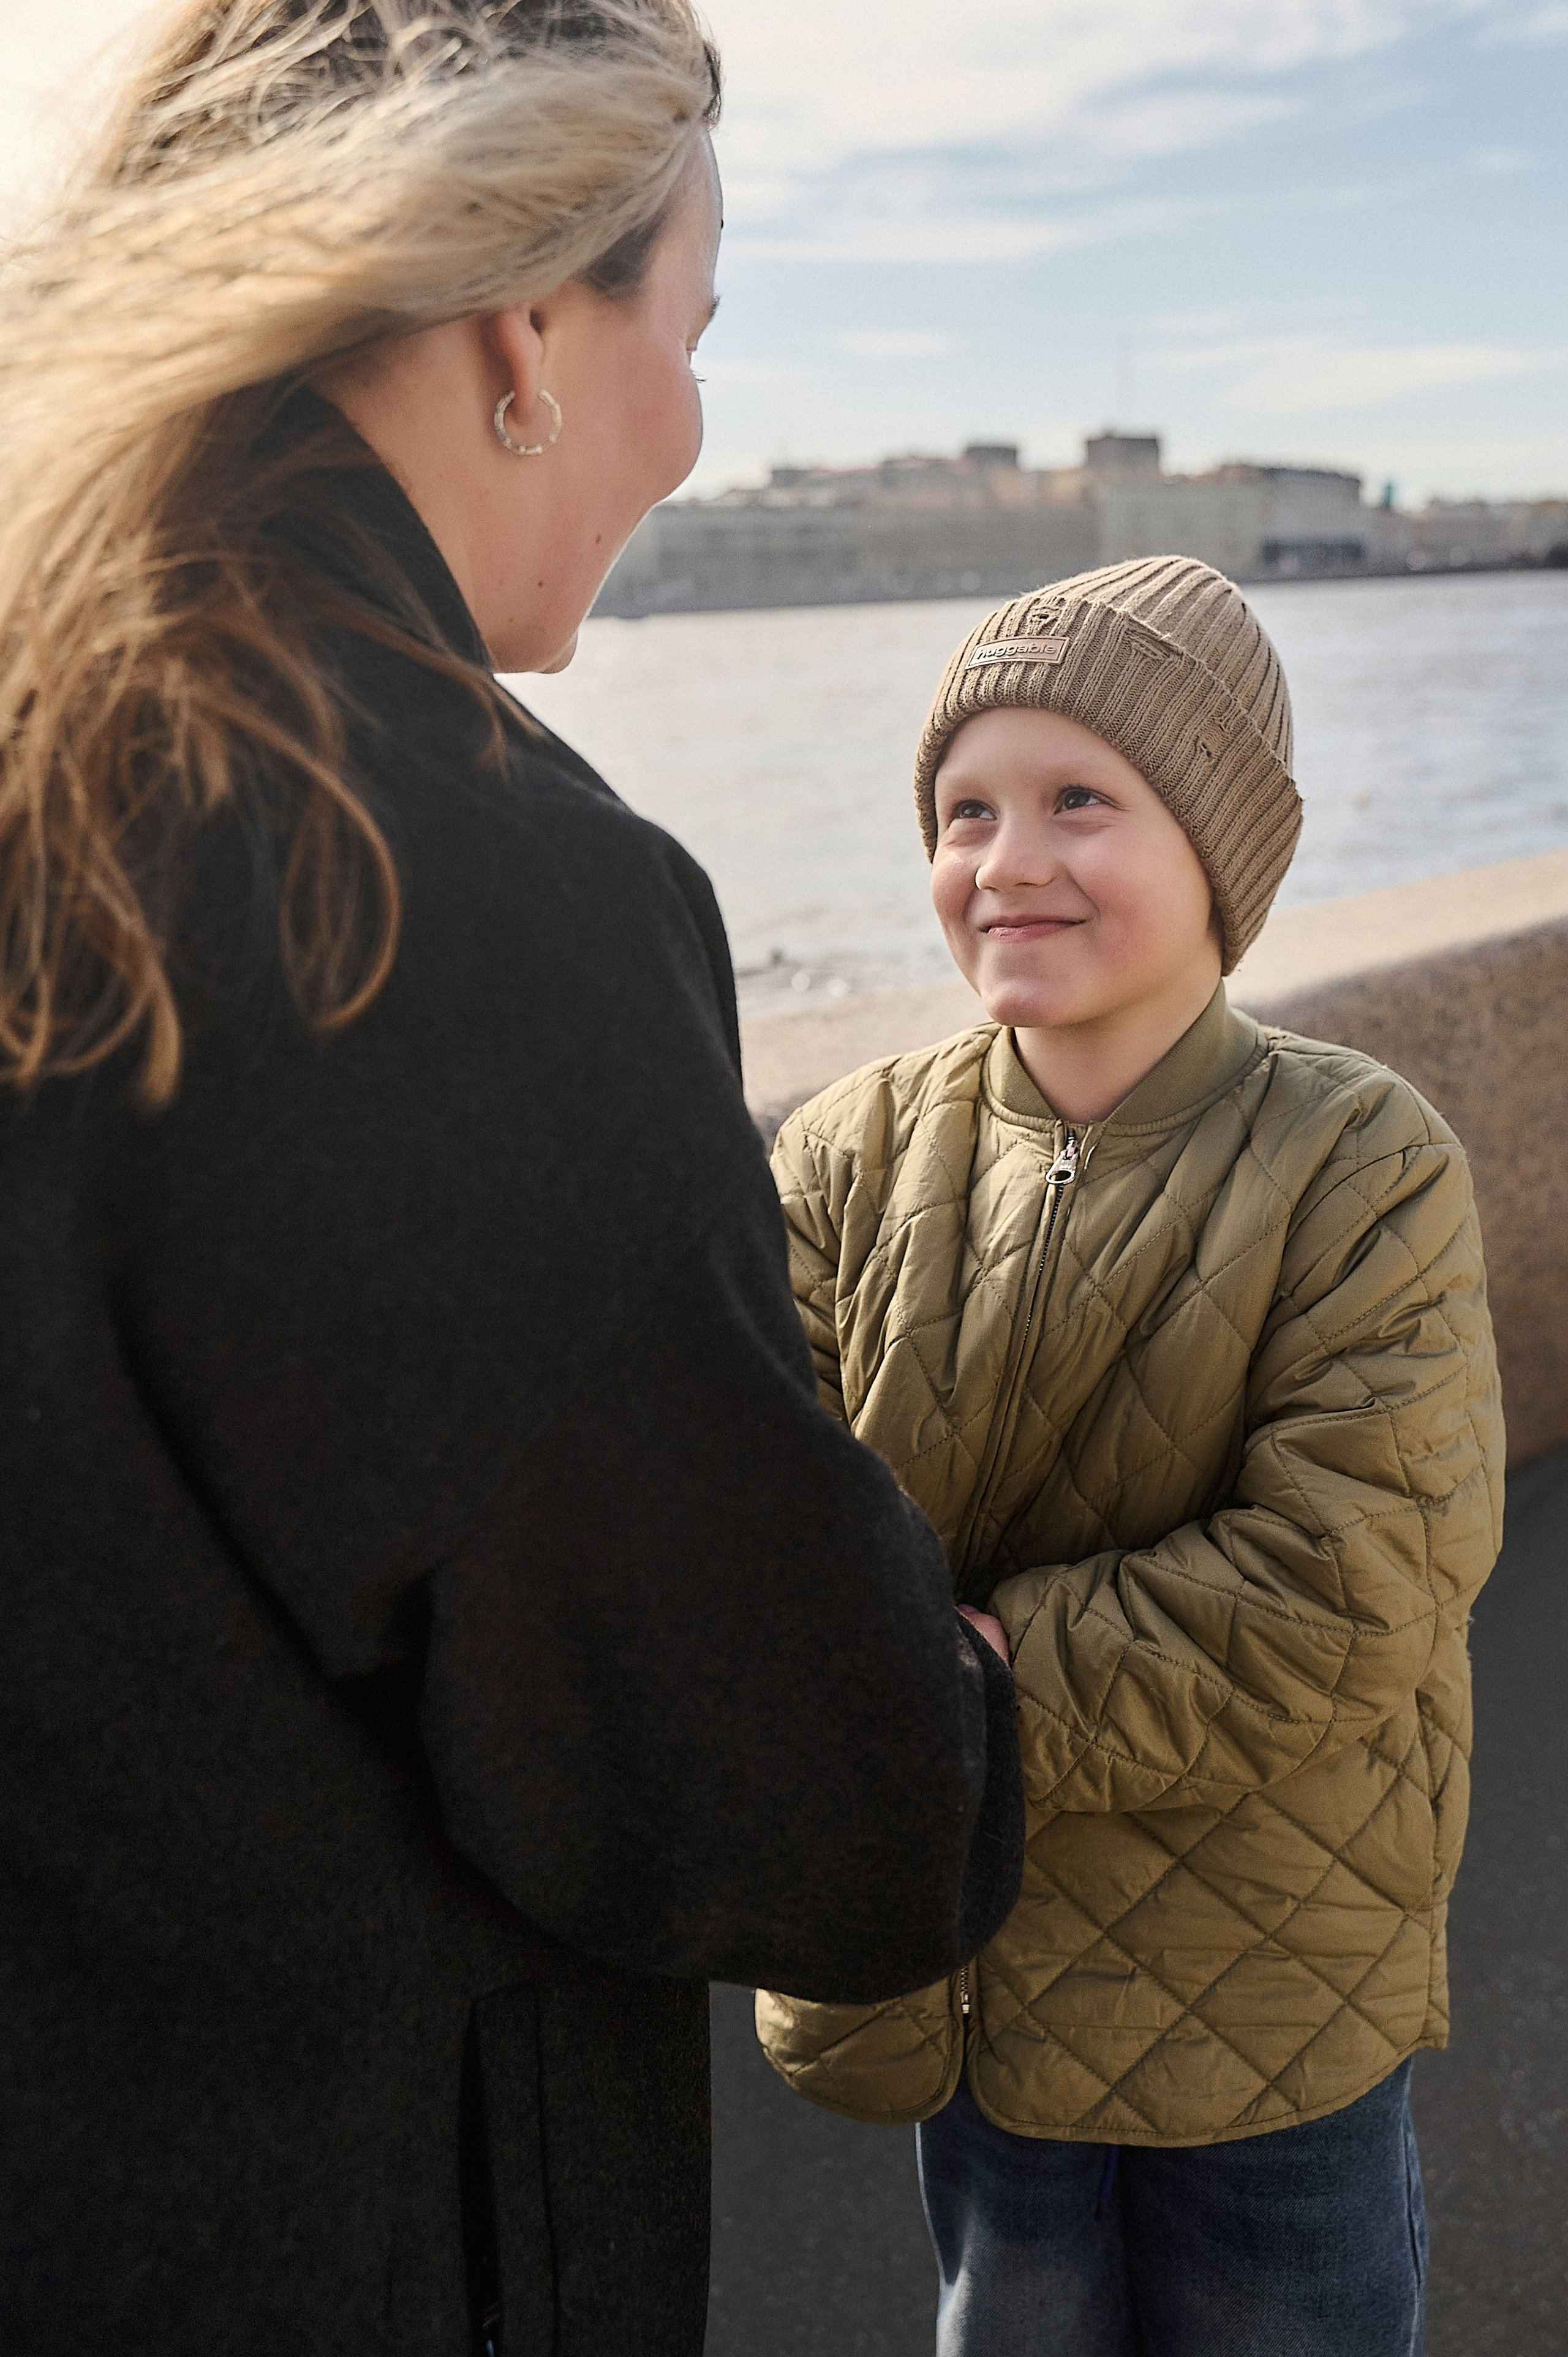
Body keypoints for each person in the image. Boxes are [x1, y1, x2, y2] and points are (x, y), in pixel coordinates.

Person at [0, 6, 1024, 2351]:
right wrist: (949, 1710)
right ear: (522, 337)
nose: (696, 418)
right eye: (695, 321)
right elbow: (780, 1773)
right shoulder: (445, 877)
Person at [756, 557, 1504, 2355]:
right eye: (964, 811)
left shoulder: (1358, 1159)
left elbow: (1356, 1577)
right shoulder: (851, 1153)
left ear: (1223, 849)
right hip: (979, 1997)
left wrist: (972, 1679)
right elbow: (755, 1517)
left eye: (1079, 799)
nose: (1004, 858)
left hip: (1271, 1999)